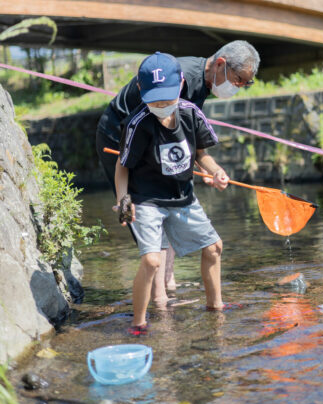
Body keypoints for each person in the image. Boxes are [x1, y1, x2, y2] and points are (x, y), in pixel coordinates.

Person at [96, 40, 260, 302]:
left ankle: (167, 283)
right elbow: (161, 131)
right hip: (121, 136)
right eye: (238, 80)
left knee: (172, 197)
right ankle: (160, 303)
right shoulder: (181, 79)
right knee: (151, 208)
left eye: (244, 84)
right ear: (220, 64)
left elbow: (185, 135)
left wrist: (205, 167)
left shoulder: (204, 83)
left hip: (155, 138)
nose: (238, 87)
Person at [115, 51, 229, 335]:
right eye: (154, 100)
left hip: (182, 196)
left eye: (167, 99)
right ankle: (138, 323)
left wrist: (215, 171)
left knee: (214, 247)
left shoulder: (191, 113)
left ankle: (216, 307)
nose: (162, 105)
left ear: (180, 84)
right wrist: (123, 200)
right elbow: (122, 166)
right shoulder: (137, 123)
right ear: (141, 91)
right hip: (148, 199)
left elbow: (201, 155)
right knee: (152, 260)